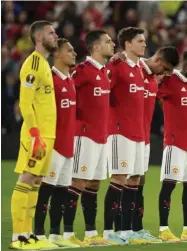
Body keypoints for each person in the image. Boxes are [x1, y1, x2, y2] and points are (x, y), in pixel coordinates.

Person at [62, 30, 115, 246]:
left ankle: (92, 234)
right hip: (84, 135)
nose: (113, 44)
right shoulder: (82, 70)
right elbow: (65, 94)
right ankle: (66, 234)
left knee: (94, 184)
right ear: (95, 47)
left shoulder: (104, 72)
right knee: (78, 183)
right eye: (108, 41)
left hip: (102, 137)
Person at [10, 20, 58, 250]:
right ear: (39, 37)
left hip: (48, 135)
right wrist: (35, 134)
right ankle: (17, 237)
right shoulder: (33, 64)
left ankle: (29, 234)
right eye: (51, 33)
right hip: (36, 135)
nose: (55, 35)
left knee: (36, 183)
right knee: (27, 179)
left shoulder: (46, 65)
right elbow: (25, 104)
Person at [102, 27, 148, 245]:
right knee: (119, 178)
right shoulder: (116, 65)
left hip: (138, 133)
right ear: (127, 44)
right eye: (140, 41)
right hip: (120, 131)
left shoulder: (139, 67)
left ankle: (126, 231)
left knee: (135, 180)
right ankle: (105, 232)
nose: (144, 44)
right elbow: (103, 91)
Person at [33, 38, 80, 247]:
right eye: (70, 50)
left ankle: (55, 234)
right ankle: (38, 234)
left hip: (69, 145)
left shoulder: (70, 80)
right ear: (59, 54)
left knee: (62, 191)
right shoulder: (50, 79)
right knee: (46, 191)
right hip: (53, 146)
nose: (74, 53)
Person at [157, 50, 187, 242]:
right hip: (174, 143)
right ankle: (163, 229)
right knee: (169, 186)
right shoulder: (169, 82)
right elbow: (151, 94)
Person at [133, 47, 179, 242]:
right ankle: (120, 230)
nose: (165, 74)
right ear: (159, 60)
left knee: (140, 183)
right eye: (165, 69)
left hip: (143, 137)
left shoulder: (153, 79)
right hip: (125, 135)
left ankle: (136, 228)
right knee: (125, 183)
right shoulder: (133, 69)